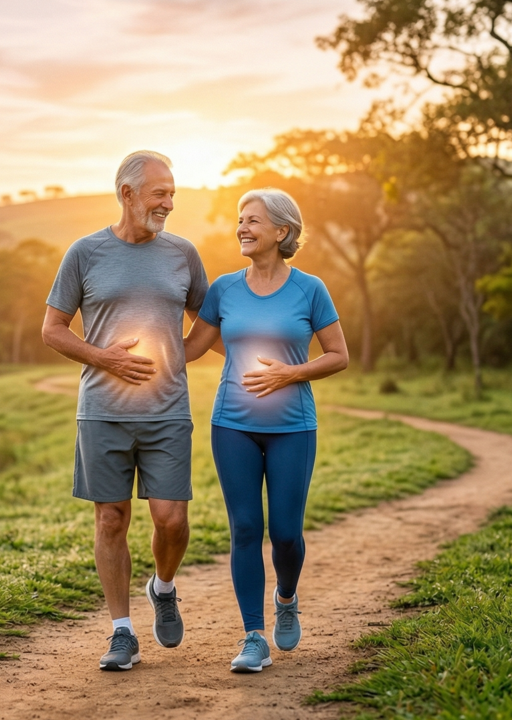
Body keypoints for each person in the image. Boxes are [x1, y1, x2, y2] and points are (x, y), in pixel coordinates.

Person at [42, 150, 210, 671]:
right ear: (127, 194)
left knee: (172, 519)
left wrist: (179, 353)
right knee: (111, 518)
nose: (169, 204)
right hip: (103, 412)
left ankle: (163, 586)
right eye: (160, 193)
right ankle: (122, 632)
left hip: (167, 410)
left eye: (173, 194)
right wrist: (103, 357)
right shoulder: (85, 253)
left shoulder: (183, 254)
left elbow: (209, 320)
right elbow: (52, 329)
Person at [182, 188, 349, 673]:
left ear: (282, 231)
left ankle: (287, 596)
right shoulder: (224, 289)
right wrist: (136, 327)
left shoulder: (310, 289)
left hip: (292, 427)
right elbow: (191, 349)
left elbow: (339, 356)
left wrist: (289, 374)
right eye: (240, 219)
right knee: (245, 529)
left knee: (286, 534)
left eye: (253, 220)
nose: (242, 228)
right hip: (232, 424)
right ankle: (253, 636)